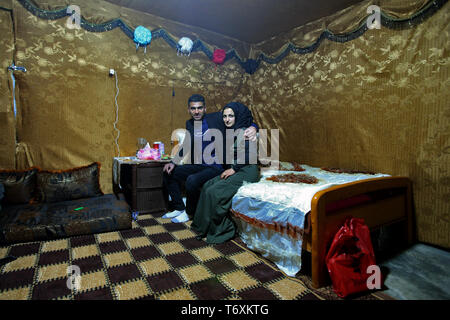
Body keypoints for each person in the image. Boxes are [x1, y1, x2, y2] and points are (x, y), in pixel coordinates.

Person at [162, 94, 257, 223]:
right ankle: (179, 207)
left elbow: (243, 119)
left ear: (205, 109)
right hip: (200, 162)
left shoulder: (217, 117)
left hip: (217, 165)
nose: (196, 111)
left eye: (200, 108)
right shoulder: (189, 123)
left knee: (192, 180)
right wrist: (174, 162)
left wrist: (253, 127)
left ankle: (190, 213)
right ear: (188, 110)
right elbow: (187, 144)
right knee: (169, 172)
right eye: (193, 108)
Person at [190, 102, 260, 244]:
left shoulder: (246, 132)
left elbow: (250, 155)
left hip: (246, 170)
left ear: (238, 116)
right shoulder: (230, 128)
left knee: (215, 192)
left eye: (231, 116)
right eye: (225, 116)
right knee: (207, 186)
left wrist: (234, 169)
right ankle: (202, 226)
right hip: (235, 168)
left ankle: (225, 229)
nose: (227, 119)